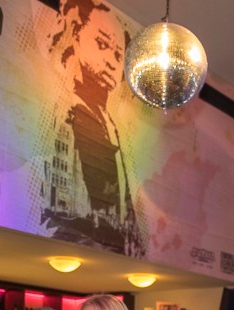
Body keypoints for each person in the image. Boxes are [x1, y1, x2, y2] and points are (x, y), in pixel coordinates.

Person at [39, 0, 144, 257]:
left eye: (119, 56)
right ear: (75, 35)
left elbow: (126, 211)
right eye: (102, 45)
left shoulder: (112, 128)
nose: (111, 61)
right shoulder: (63, 109)